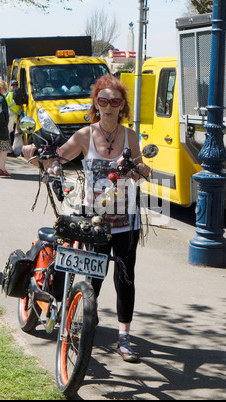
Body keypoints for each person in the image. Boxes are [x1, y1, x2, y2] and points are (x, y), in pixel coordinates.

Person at [23, 75, 150, 362]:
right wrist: (33, 153)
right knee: (94, 277)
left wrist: (139, 169)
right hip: (96, 221)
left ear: (121, 106)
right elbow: (56, 158)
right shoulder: (84, 135)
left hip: (126, 221)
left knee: (125, 278)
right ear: (96, 103)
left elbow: (141, 168)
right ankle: (88, 323)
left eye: (114, 101)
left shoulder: (130, 136)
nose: (108, 106)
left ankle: (124, 337)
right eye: (102, 100)